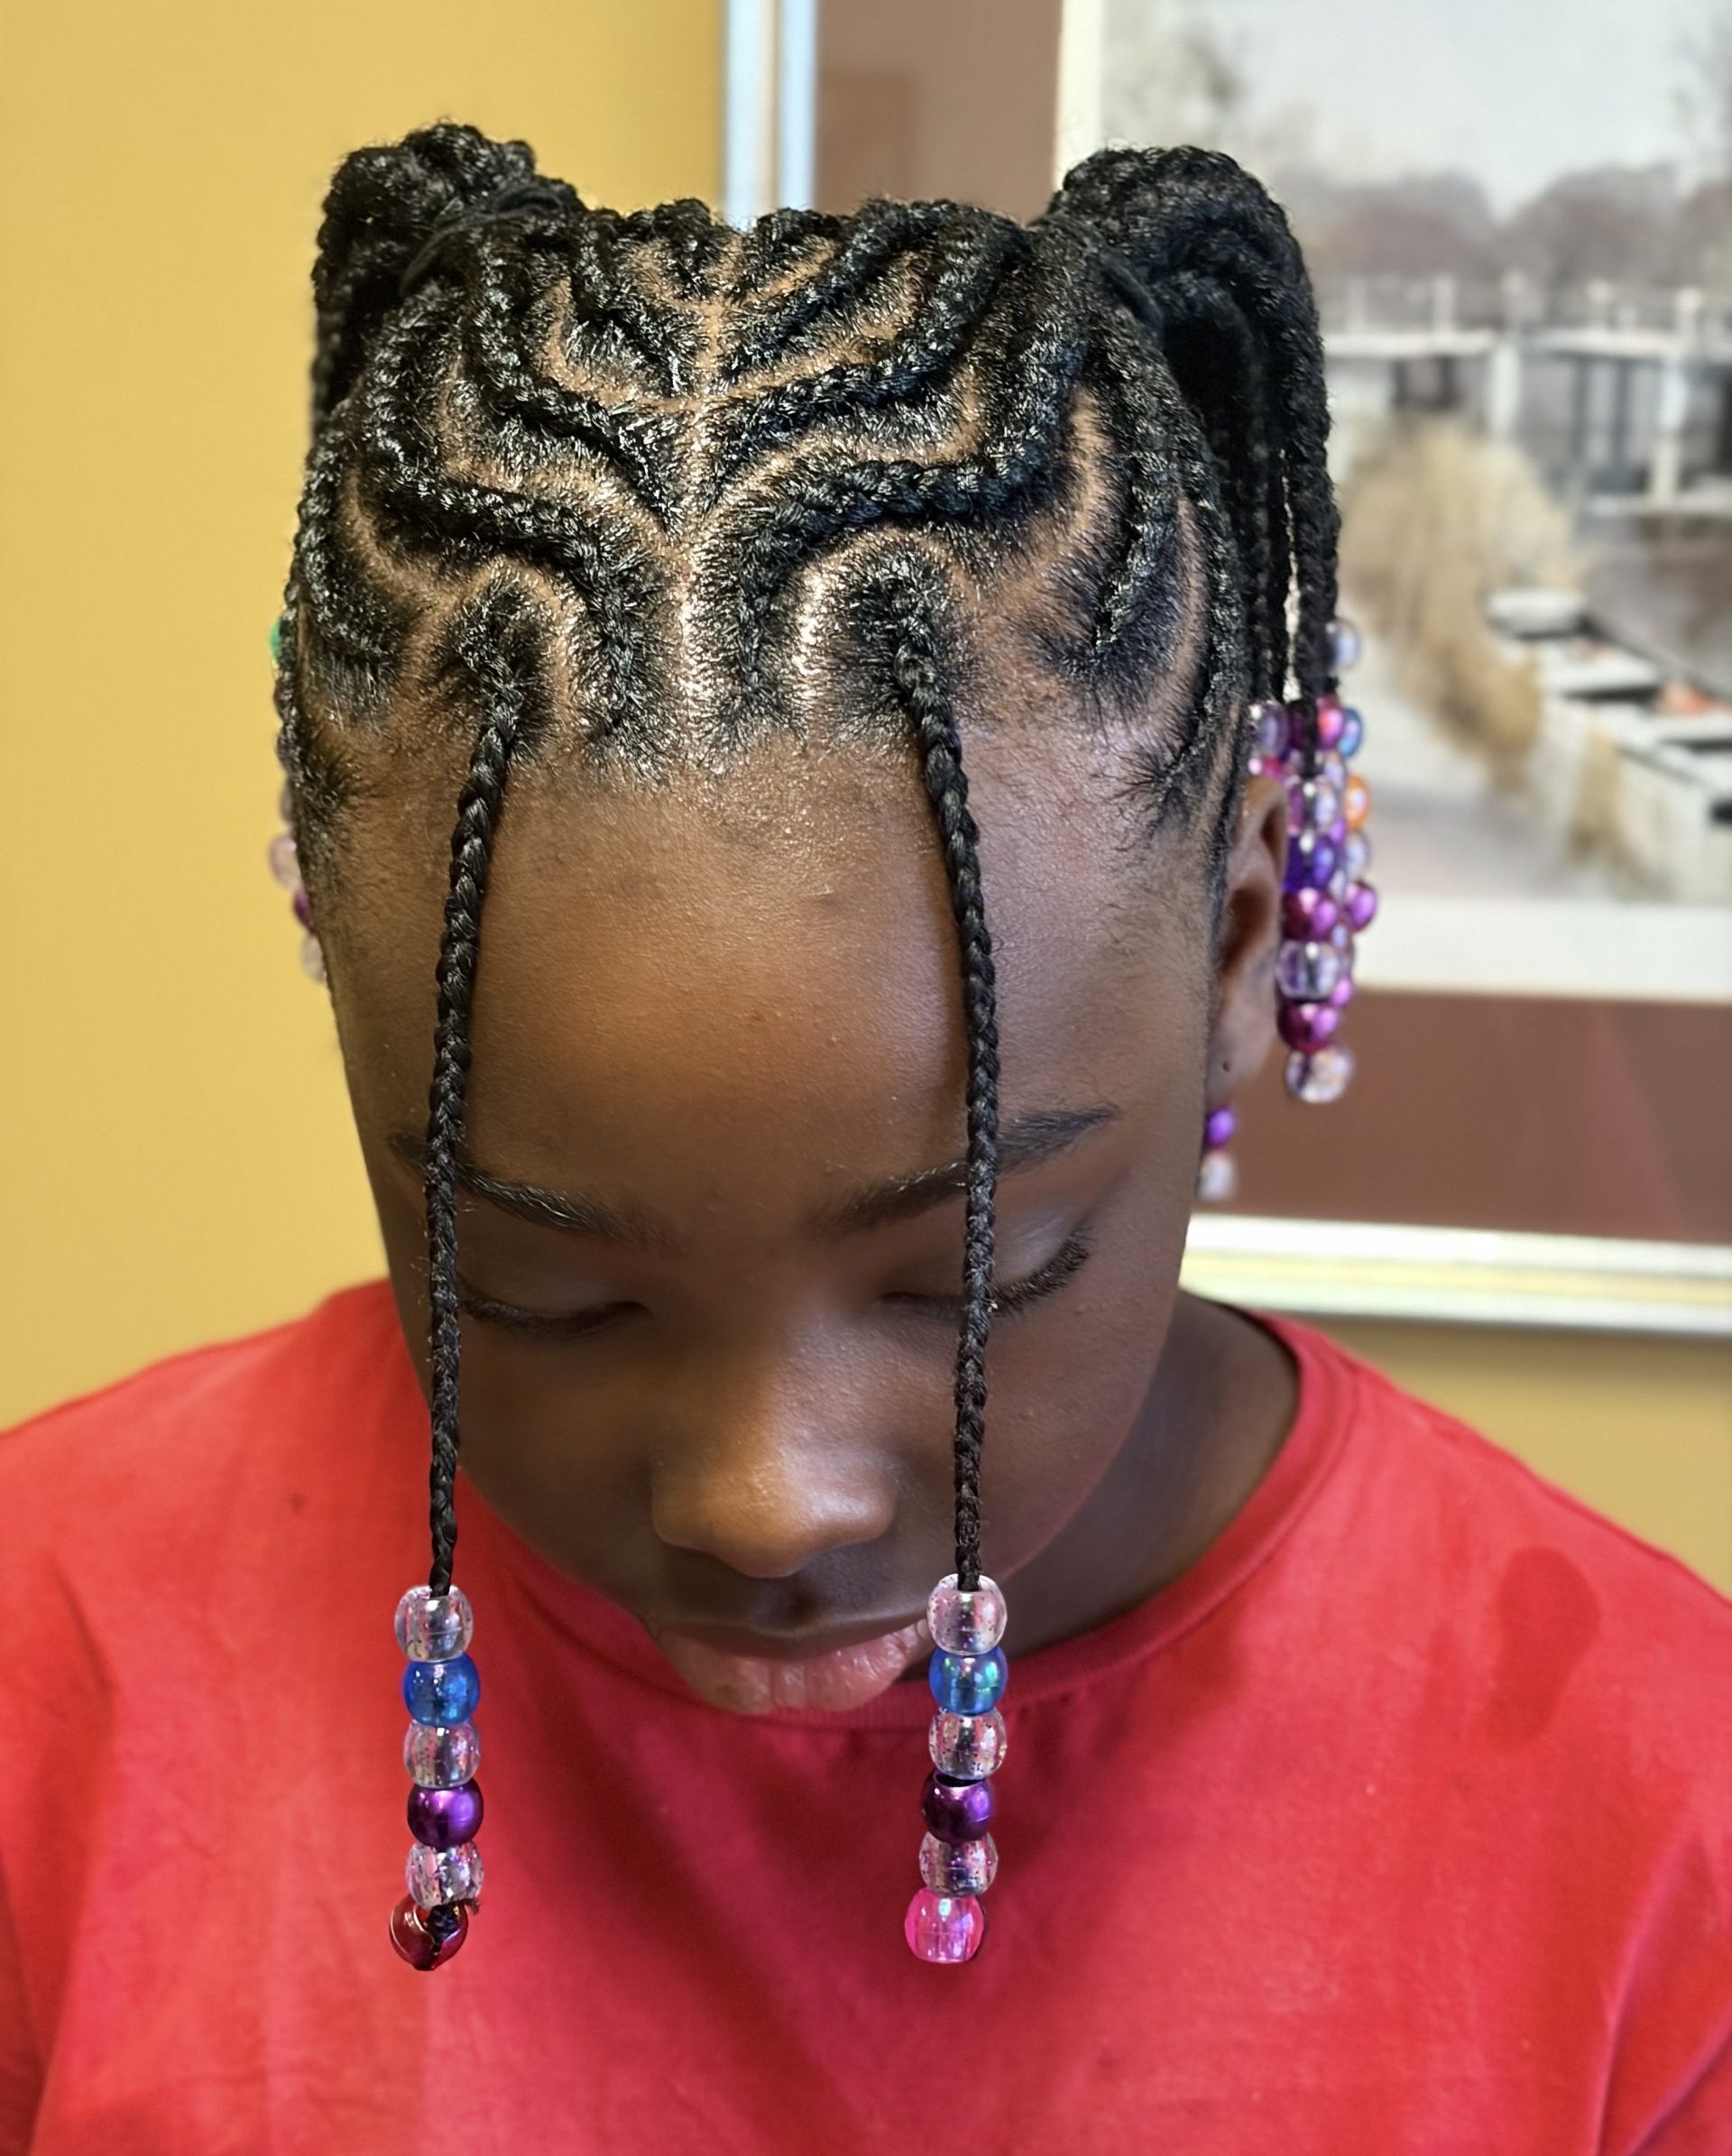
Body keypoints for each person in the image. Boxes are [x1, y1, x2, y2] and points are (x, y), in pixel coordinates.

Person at [2, 120, 1727, 2154]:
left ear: (1245, 937)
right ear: (334, 943)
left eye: (969, 1276)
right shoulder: (53, 1655)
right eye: (544, 1290)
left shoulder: (1657, 1824)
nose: (766, 1501)